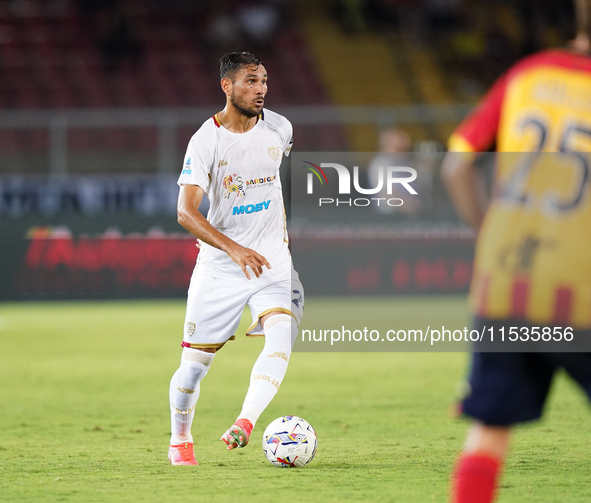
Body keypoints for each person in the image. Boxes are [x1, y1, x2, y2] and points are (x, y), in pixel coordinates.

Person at [441, 0, 591, 500]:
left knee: (488, 429)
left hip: (508, 280)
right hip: (582, 283)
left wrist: (491, 237)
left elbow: (456, 166)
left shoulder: (528, 75)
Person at [167, 52, 304, 466]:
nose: (260, 89)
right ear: (227, 86)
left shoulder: (281, 128)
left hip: (272, 262)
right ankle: (180, 438)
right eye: (250, 81)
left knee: (281, 334)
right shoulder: (205, 141)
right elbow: (185, 212)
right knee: (193, 368)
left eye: (263, 80)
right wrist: (234, 247)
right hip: (222, 268)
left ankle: (246, 422)